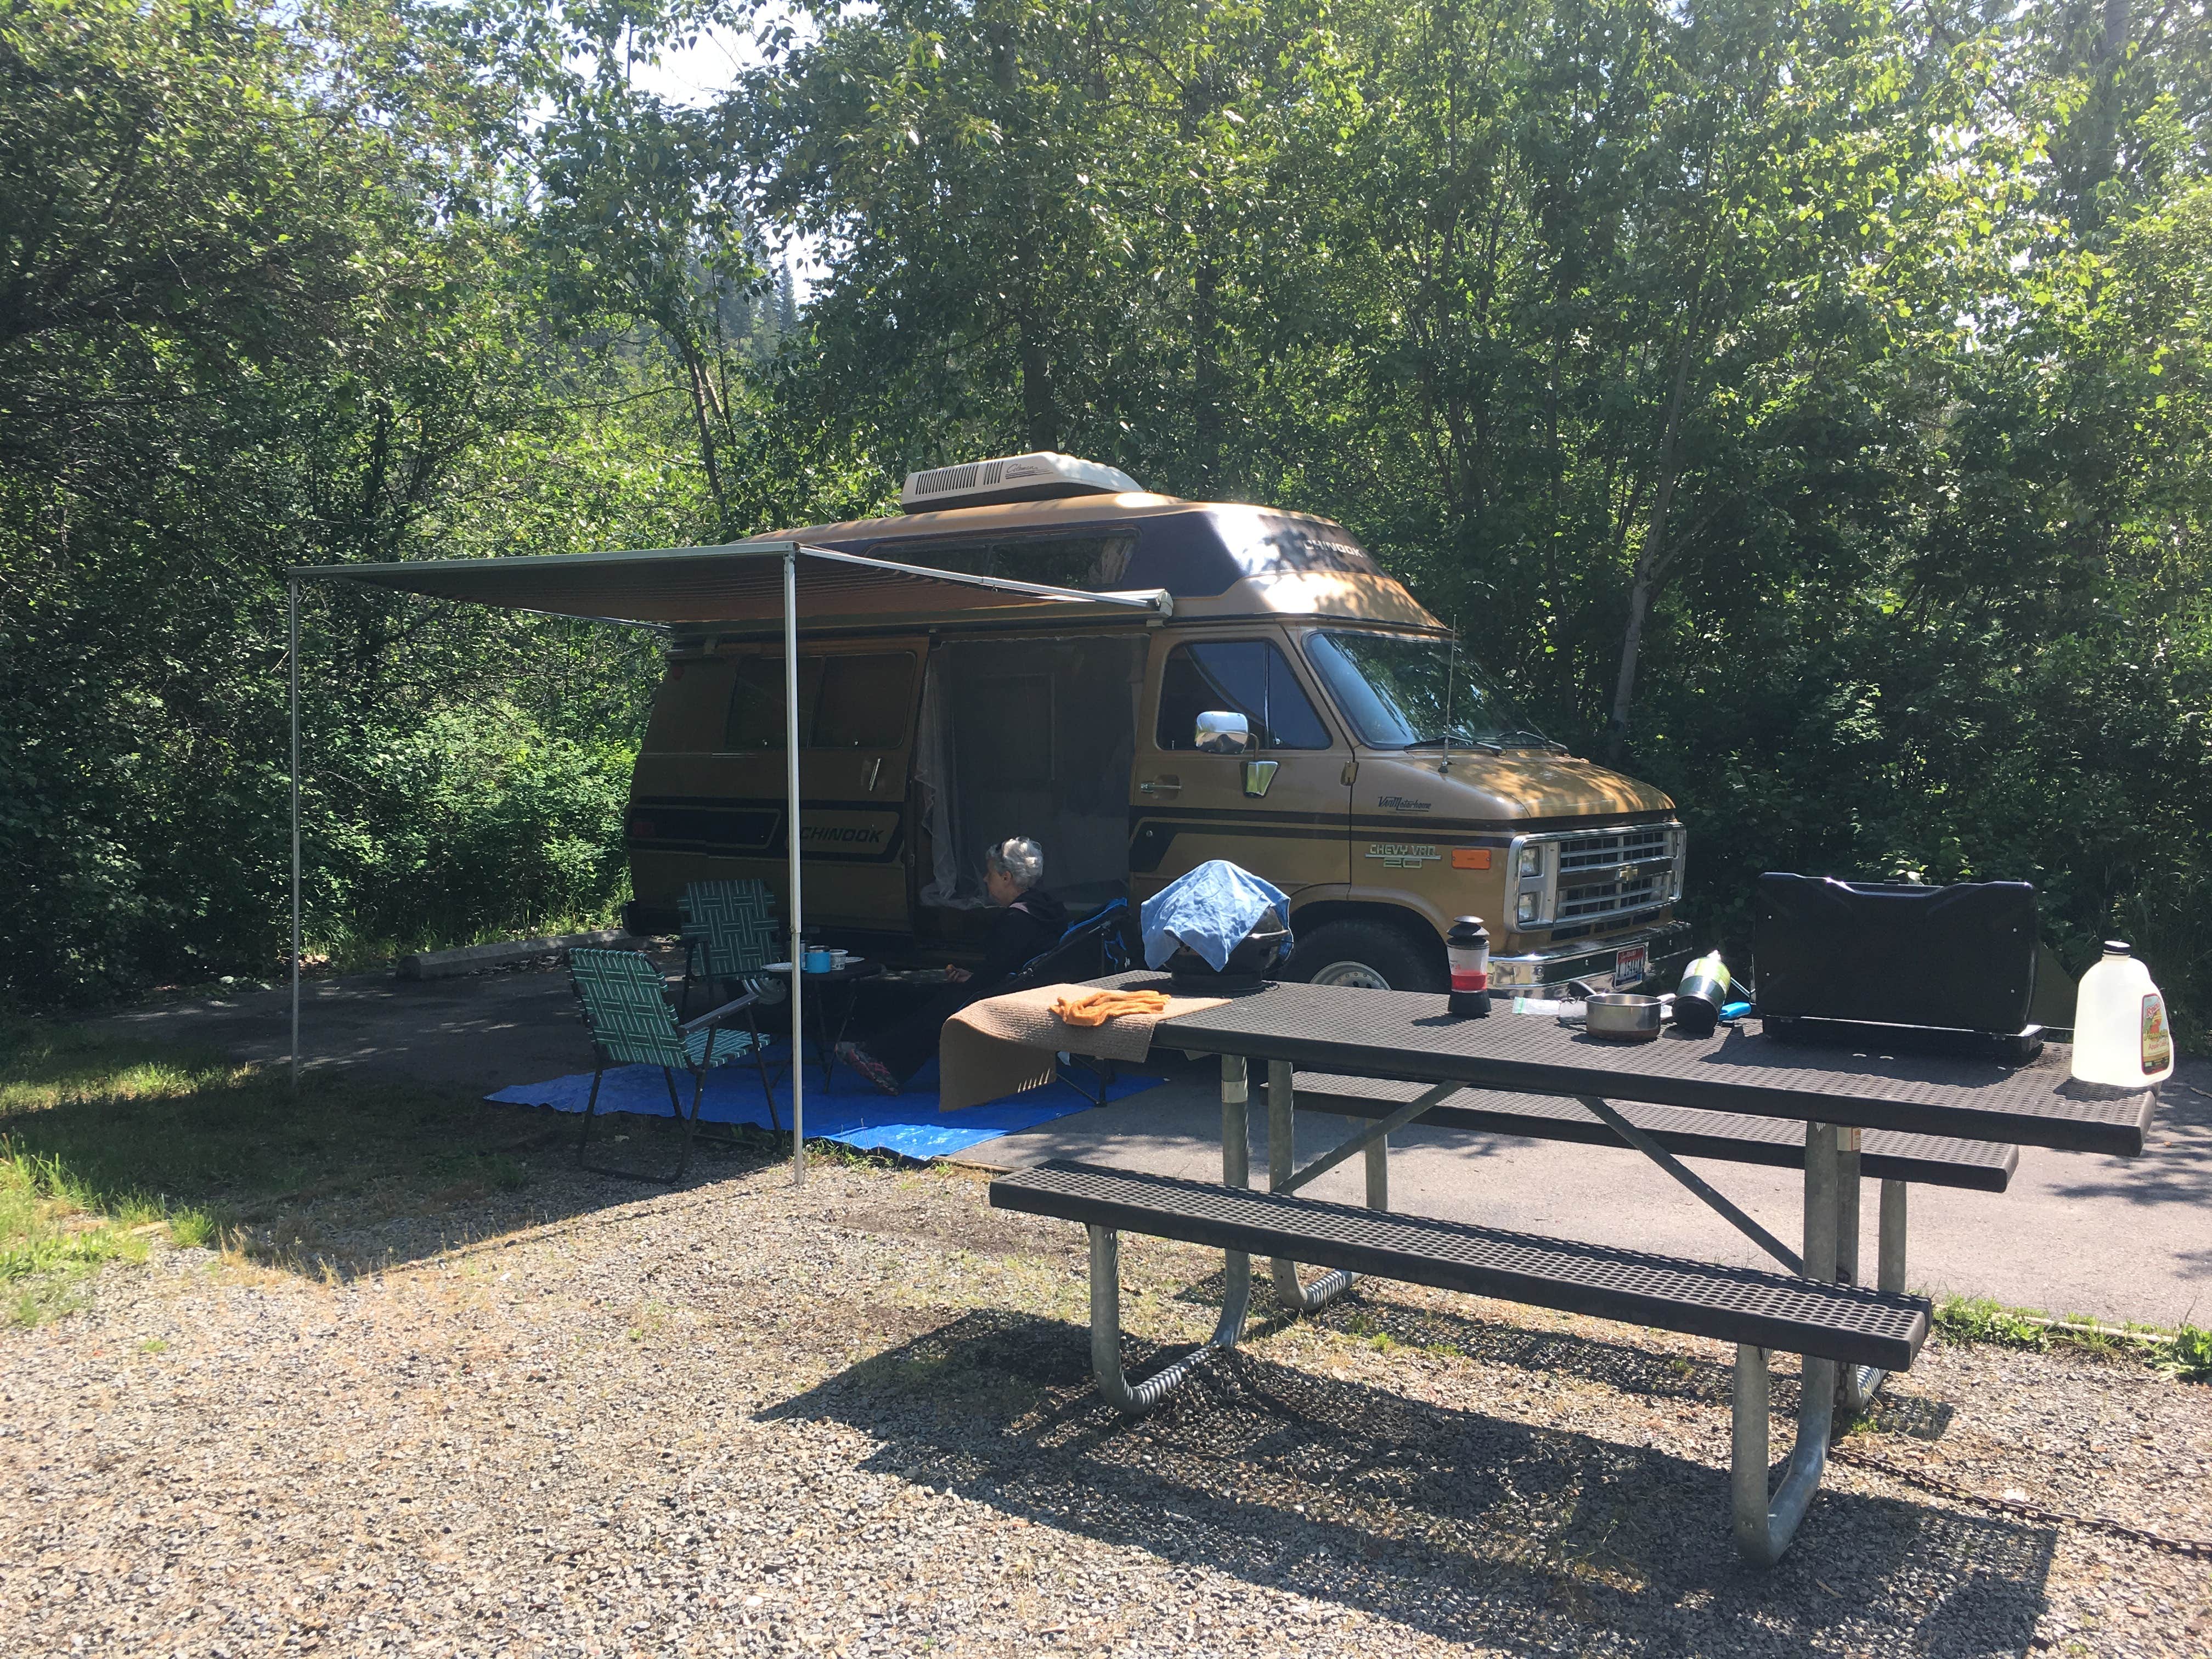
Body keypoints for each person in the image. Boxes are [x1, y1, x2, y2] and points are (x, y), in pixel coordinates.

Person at [837, 837, 1066, 1094]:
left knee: (949, 1000)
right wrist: (976, 976)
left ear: (1006, 878)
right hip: (1037, 987)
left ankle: (883, 1062)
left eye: (989, 873)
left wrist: (974, 979)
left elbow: (994, 973)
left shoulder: (1017, 919)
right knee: (954, 993)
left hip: (1017, 995)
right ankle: (879, 1055)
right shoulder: (1047, 907)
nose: (984, 880)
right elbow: (1005, 964)